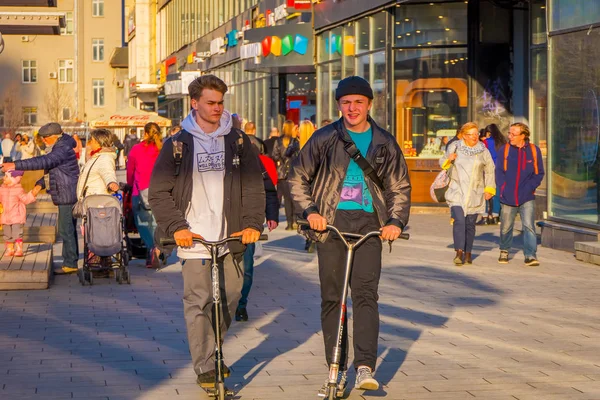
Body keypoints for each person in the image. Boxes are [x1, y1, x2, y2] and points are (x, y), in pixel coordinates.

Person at [288, 76, 411, 395]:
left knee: (366, 294)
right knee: (333, 297)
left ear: (370, 104)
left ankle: (365, 367)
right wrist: (311, 212)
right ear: (339, 105)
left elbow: (399, 185)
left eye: (358, 102)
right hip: (330, 225)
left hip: (370, 226)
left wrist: (395, 220)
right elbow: (297, 177)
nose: (352, 108)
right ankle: (336, 366)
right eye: (346, 102)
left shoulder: (385, 141)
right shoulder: (325, 137)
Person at [148, 75, 265, 387]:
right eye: (211, 102)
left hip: (232, 236)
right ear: (194, 103)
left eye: (220, 102)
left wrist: (254, 223)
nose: (217, 108)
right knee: (199, 301)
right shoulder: (177, 145)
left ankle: (212, 350)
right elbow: (158, 193)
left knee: (231, 295)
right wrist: (177, 228)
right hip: (194, 237)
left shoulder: (238, 141)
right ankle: (206, 367)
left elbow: (255, 187)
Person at [3, 123, 80, 274]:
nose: (44, 140)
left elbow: (43, 162)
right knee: (69, 228)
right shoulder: (61, 145)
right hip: (66, 191)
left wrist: (15, 164)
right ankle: (71, 260)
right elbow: (52, 171)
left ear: (54, 136)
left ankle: (70, 263)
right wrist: (39, 185)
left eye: (46, 138)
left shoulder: (62, 148)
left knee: (66, 230)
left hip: (66, 193)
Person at [235, 135, 279, 322]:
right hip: (221, 222)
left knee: (246, 268)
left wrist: (272, 215)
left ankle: (241, 304)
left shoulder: (253, 159)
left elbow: (268, 188)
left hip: (248, 222)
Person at [440, 122, 496, 266]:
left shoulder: (483, 150)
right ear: (464, 136)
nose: (475, 137)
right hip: (457, 190)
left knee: (470, 224)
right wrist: (448, 159)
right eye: (471, 134)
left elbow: (490, 170)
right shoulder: (456, 146)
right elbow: (442, 161)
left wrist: (489, 189)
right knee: (459, 220)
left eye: (477, 134)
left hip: (475, 192)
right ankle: (459, 252)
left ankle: (468, 252)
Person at [496, 122, 544, 266]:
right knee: (506, 226)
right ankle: (504, 250)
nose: (510, 136)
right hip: (508, 195)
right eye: (509, 133)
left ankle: (530, 255)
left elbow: (539, 173)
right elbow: (499, 172)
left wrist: (530, 187)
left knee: (529, 226)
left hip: (526, 195)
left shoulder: (534, 150)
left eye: (513, 134)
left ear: (523, 136)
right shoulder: (504, 150)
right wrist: (503, 187)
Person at [127, 122, 163, 268]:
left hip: (139, 192)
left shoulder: (136, 149)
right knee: (157, 223)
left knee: (142, 223)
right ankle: (159, 248)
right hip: (160, 192)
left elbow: (130, 171)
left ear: (146, 133)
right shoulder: (162, 149)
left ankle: (151, 248)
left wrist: (129, 186)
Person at [0, 170, 37, 257]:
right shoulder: (2, 189)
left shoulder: (18, 190)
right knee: (7, 234)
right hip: (5, 216)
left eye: (6, 176)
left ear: (13, 179)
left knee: (17, 233)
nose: (3, 178)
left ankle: (19, 249)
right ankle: (10, 249)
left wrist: (32, 194)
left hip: (17, 216)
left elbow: (25, 199)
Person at [272, 120, 300, 230]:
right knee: (295, 197)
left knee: (287, 199)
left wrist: (279, 161)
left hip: (282, 172)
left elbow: (275, 155)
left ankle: (289, 223)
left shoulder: (279, 141)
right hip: (293, 172)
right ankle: (295, 220)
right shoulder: (295, 141)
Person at [477, 123, 507, 225]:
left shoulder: (485, 142)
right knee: (497, 193)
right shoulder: (503, 143)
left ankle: (485, 216)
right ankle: (495, 216)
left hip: (487, 170)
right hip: (500, 170)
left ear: (488, 133)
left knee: (485, 192)